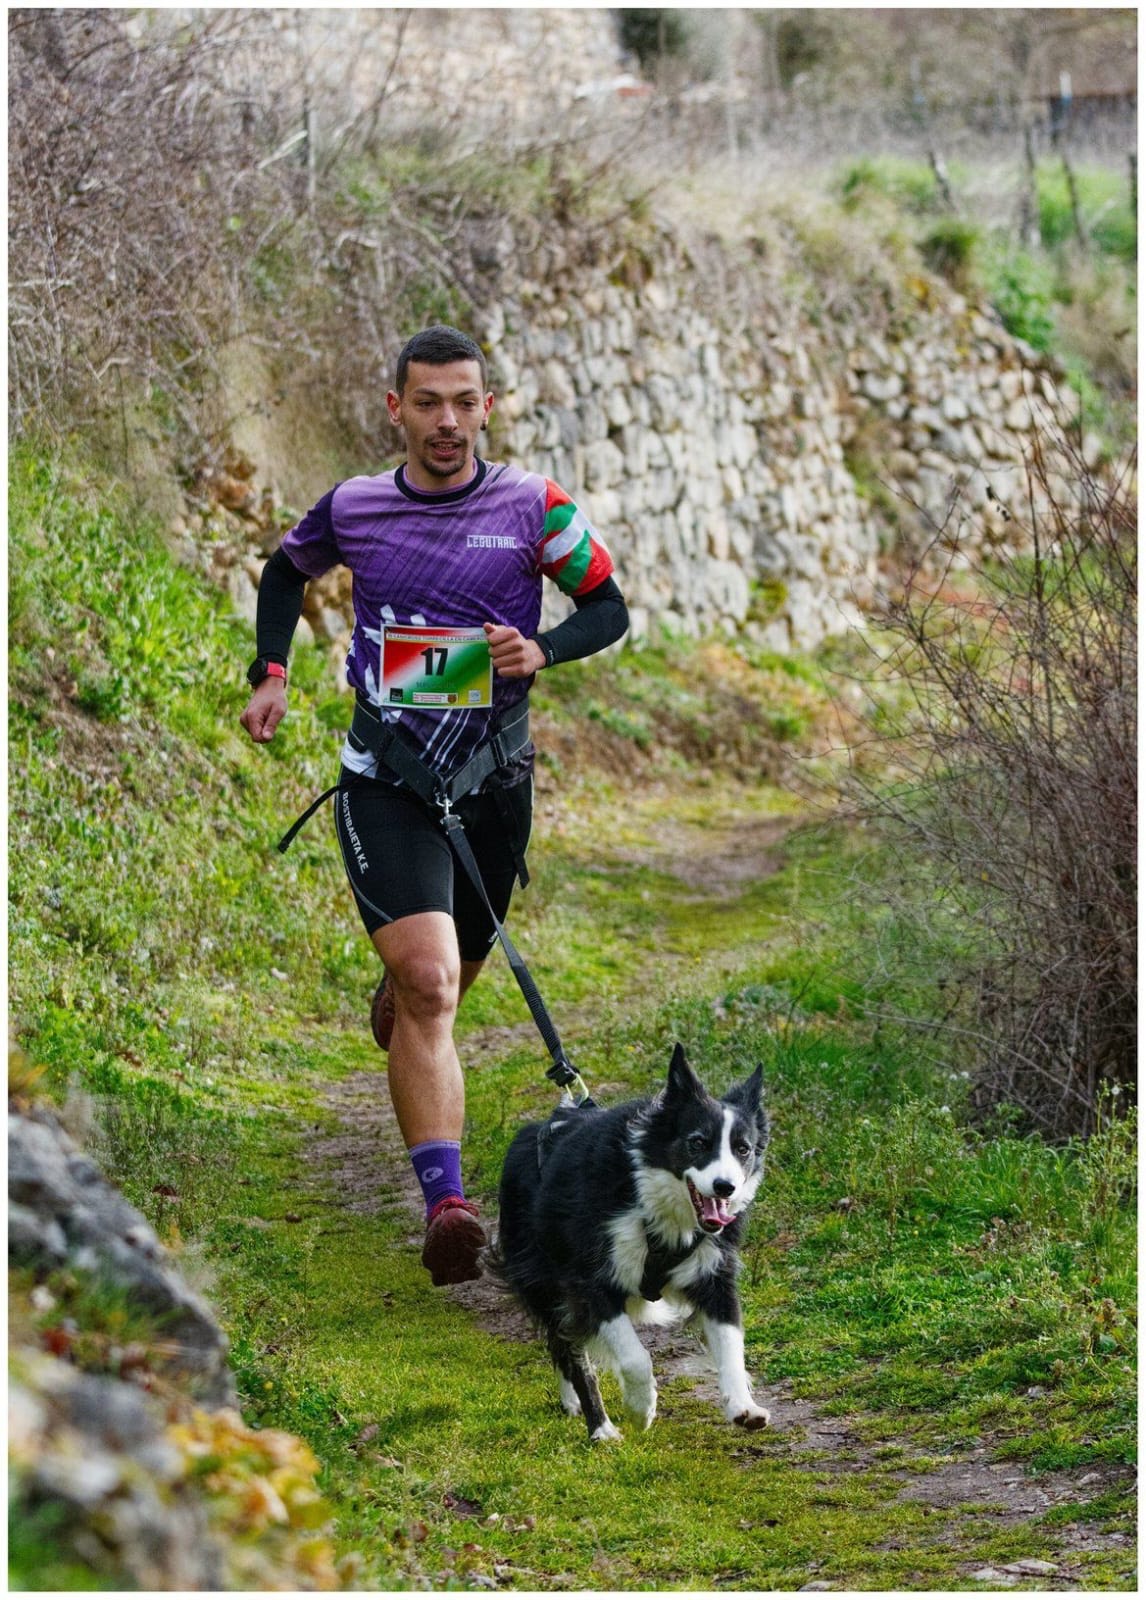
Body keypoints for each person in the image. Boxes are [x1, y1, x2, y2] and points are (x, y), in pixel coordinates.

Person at [240, 324, 629, 1287]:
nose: (447, 422)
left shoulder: (535, 506)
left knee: (447, 981)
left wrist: (545, 649)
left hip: (494, 784)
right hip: (388, 778)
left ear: (486, 407)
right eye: (428, 403)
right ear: (395, 410)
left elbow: (608, 607)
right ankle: (446, 1203)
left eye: (465, 402)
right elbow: (287, 569)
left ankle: (410, 995)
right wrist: (273, 671)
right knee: (433, 985)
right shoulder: (357, 508)